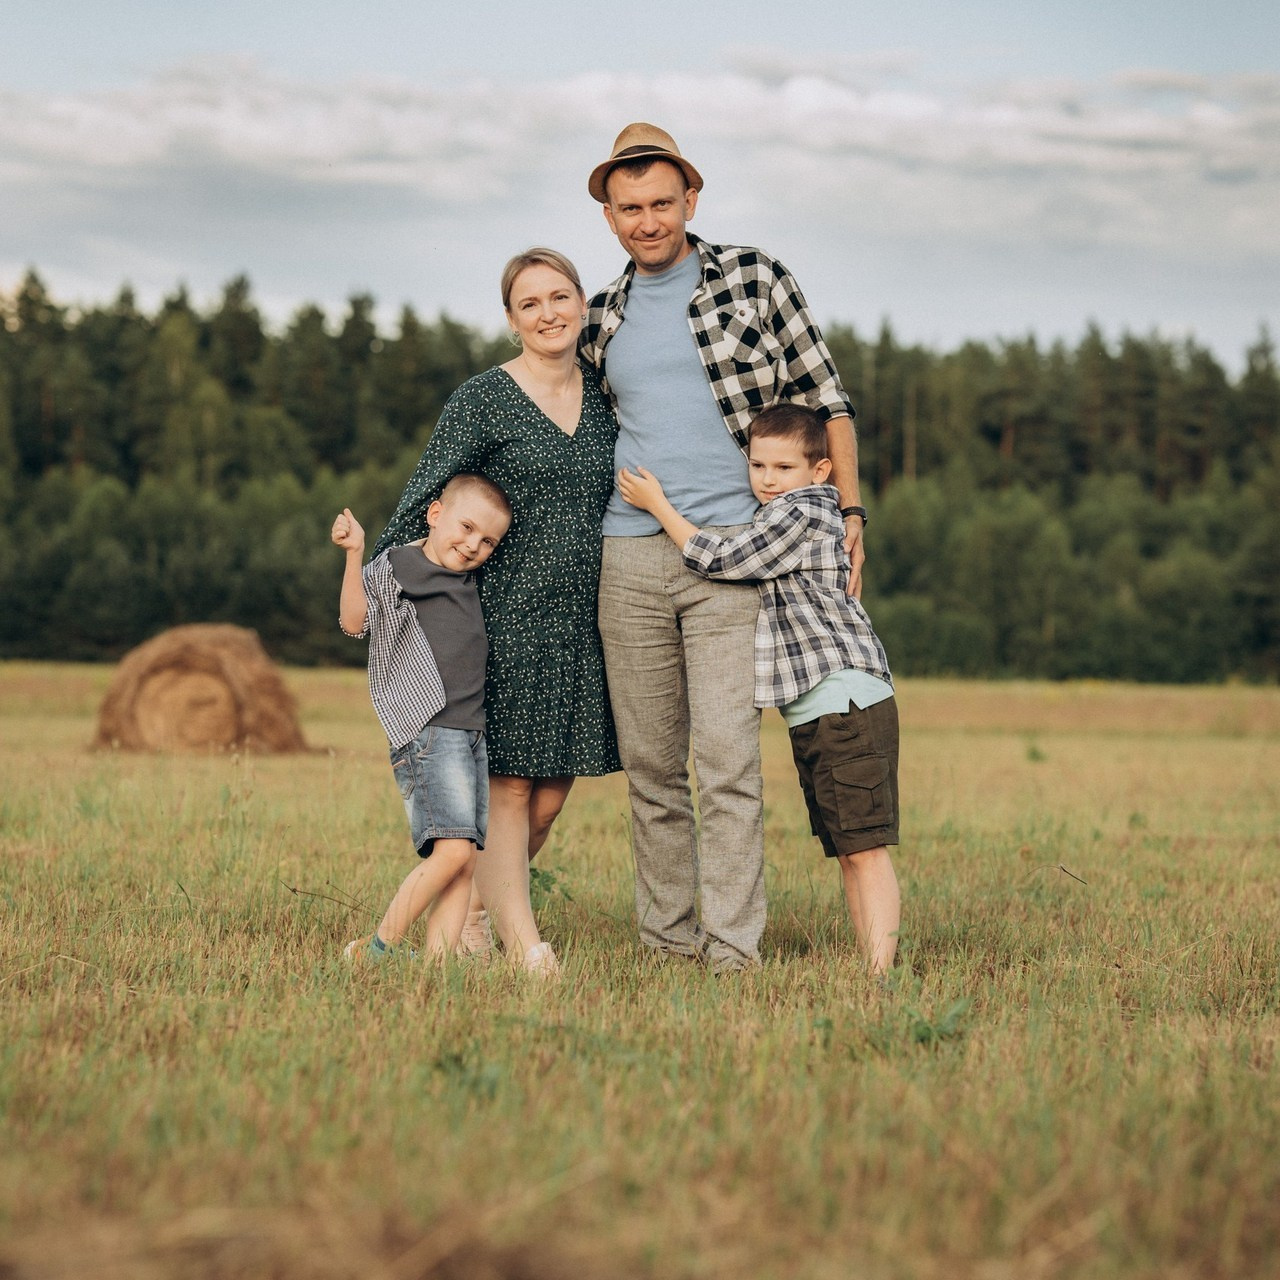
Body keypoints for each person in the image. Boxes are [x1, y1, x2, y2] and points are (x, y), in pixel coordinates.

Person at [581, 122, 866, 972]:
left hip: (736, 560)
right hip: (627, 560)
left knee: (728, 764)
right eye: (628, 207)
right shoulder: (602, 315)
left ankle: (733, 950)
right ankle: (667, 946)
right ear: (609, 215)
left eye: (662, 202)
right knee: (653, 770)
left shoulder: (756, 277)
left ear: (691, 200)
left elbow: (829, 403)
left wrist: (851, 513)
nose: (647, 220)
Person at [374, 248, 621, 973]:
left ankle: (475, 913)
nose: (548, 313)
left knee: (546, 802)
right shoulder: (482, 400)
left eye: (559, 296)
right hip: (500, 624)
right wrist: (378, 603)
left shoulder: (608, 394)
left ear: (582, 303)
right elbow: (424, 501)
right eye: (529, 303)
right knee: (509, 792)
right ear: (511, 319)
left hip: (584, 624)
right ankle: (524, 945)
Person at [618, 404, 900, 973]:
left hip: (844, 699)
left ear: (821, 472)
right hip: (821, 707)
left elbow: (720, 557)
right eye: (759, 465)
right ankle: (873, 963)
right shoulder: (785, 508)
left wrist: (659, 508)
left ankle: (879, 974)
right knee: (849, 847)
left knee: (864, 847)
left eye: (784, 467)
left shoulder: (799, 515)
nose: (769, 480)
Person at [332, 476, 526, 963]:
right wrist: (355, 554)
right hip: (429, 731)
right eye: (466, 527)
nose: (473, 545)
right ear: (435, 514)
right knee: (455, 853)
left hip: (470, 733)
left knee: (464, 862)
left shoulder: (467, 578)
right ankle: (376, 949)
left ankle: (437, 967)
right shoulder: (400, 565)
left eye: (488, 541)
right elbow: (355, 623)